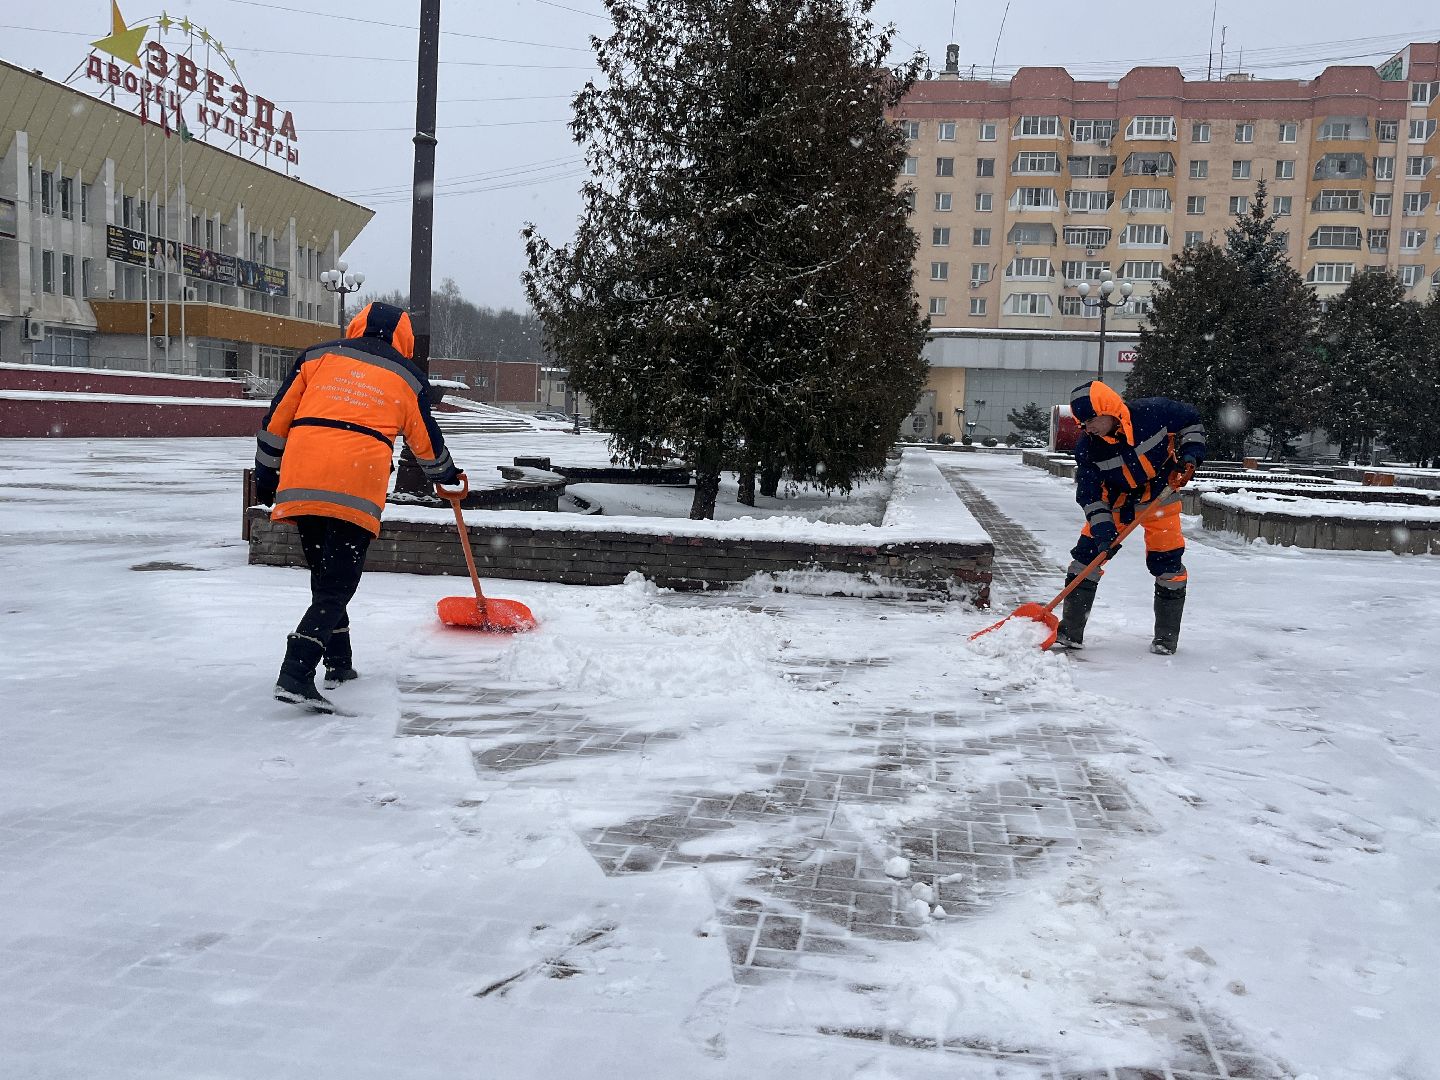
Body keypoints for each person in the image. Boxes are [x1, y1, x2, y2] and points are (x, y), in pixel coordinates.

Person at [253, 301, 464, 712]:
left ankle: (339, 663)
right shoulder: (406, 376)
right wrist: (447, 475)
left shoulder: (316, 357)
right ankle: (296, 671)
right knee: (337, 584)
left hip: (303, 479)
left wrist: (266, 475)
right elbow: (425, 441)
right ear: (404, 338)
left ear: (356, 326)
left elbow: (276, 422)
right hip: (355, 485)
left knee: (325, 576)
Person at [1056, 380, 1206, 655]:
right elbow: (1090, 494)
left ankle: (1166, 639)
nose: (1087, 428)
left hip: (1161, 497)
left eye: (1090, 420)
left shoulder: (1154, 412)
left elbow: (1191, 421)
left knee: (1168, 564)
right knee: (1086, 559)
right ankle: (1069, 632)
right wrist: (1103, 531)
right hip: (1117, 505)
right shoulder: (1088, 447)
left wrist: (1190, 456)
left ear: (1107, 409)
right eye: (1082, 424)